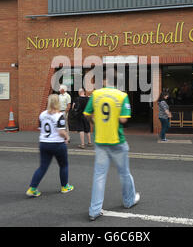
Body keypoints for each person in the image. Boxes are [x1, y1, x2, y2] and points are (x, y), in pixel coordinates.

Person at [84, 68, 140, 221]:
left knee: (99, 175)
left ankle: (94, 210)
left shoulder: (95, 95)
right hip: (117, 141)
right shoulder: (122, 96)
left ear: (104, 81)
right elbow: (123, 119)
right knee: (124, 173)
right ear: (117, 82)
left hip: (100, 140)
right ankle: (128, 201)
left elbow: (86, 114)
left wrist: (95, 121)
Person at [26, 94, 74, 197]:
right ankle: (65, 186)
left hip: (44, 143)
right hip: (57, 144)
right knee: (63, 165)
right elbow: (61, 131)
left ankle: (32, 188)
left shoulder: (42, 115)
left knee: (42, 167)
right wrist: (67, 137)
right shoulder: (59, 115)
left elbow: (41, 129)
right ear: (58, 103)